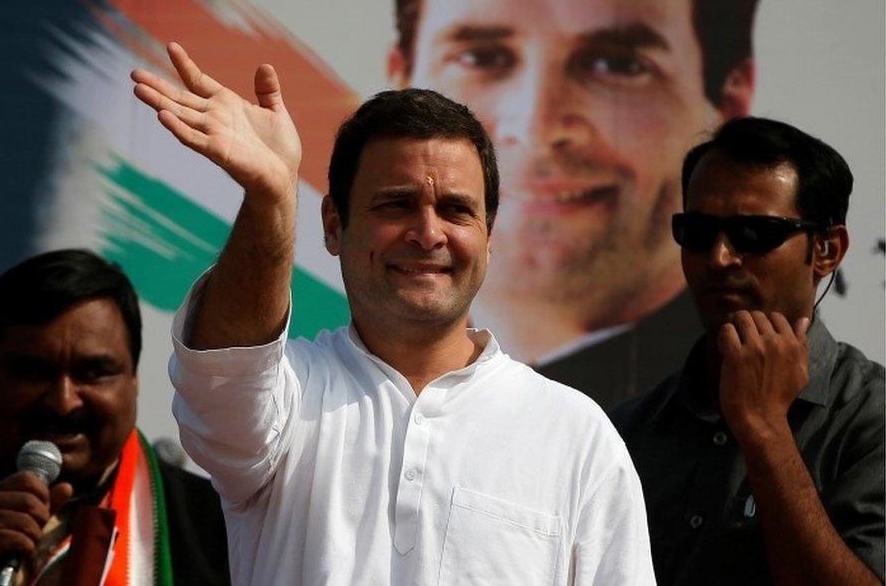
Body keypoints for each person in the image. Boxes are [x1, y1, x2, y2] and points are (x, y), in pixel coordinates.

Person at [130, 42, 654, 584]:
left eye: (455, 209)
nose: (428, 234)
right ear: (334, 225)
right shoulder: (288, 400)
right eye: (396, 204)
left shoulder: (574, 435)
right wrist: (271, 198)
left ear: (488, 237)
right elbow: (226, 371)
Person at [388, 0, 763, 408]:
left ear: (728, 102)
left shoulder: (764, 407)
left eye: (618, 64)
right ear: (400, 85)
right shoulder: (316, 389)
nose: (537, 127)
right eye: (481, 57)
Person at [612, 118, 884, 584]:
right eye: (697, 231)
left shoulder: (871, 418)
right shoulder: (627, 432)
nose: (719, 258)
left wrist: (765, 430)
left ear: (827, 250)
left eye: (754, 233)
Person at [0, 249, 229, 585]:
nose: (63, 403)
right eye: (34, 371)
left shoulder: (218, 526)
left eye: (93, 373)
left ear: (133, 379)